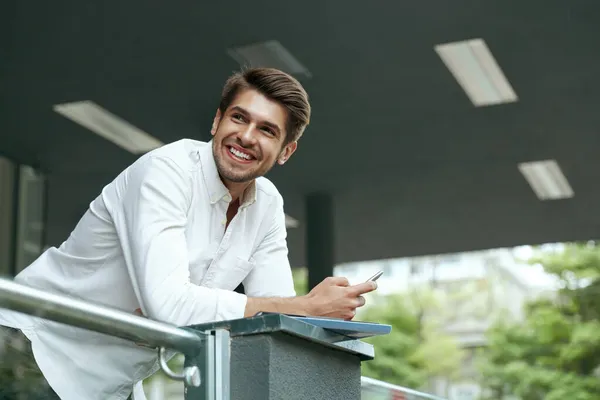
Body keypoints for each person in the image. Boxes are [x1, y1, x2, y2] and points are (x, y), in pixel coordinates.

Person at [0, 67, 376, 399]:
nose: (246, 136)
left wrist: (323, 314)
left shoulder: (267, 206)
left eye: (266, 130)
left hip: (110, 383)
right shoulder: (166, 171)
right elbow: (171, 307)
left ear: (285, 151)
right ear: (216, 122)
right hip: (34, 353)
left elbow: (273, 313)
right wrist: (302, 307)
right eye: (238, 118)